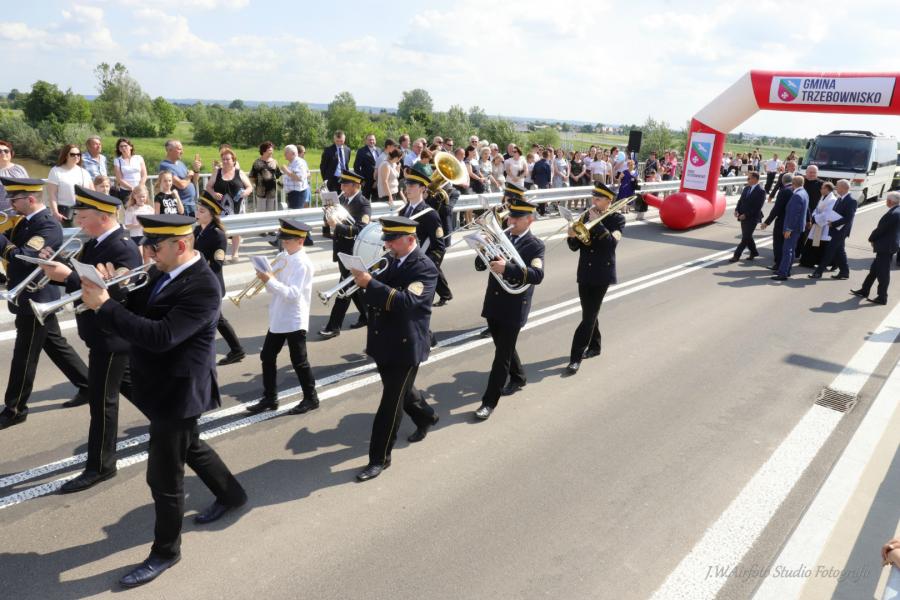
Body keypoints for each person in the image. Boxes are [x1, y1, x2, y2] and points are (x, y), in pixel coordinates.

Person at [79, 213, 248, 588]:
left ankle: (166, 552)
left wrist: (105, 305)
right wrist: (112, 291)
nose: (147, 253)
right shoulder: (162, 271)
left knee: (164, 477)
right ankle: (232, 494)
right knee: (192, 446)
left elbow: (161, 336)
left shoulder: (203, 286)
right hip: (159, 382)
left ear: (180, 245)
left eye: (153, 246)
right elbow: (139, 309)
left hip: (179, 391)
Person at [38, 186, 141, 492]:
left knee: (102, 403)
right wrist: (57, 261)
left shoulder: (122, 248)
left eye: (83, 217)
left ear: (103, 217)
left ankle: (100, 466)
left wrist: (66, 276)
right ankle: (174, 424)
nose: (78, 222)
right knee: (134, 388)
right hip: (99, 334)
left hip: (111, 338)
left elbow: (116, 295)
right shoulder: (96, 243)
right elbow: (86, 275)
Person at [349, 215, 439, 481]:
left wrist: (370, 283)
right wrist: (364, 282)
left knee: (390, 403)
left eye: (392, 240)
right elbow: (376, 296)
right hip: (383, 339)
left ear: (410, 240)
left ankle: (379, 459)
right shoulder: (390, 259)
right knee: (402, 391)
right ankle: (426, 417)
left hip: (406, 345)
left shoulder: (424, 267)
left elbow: (405, 302)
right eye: (386, 239)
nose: (387, 244)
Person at [0, 177, 89, 429]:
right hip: (29, 296)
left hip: (36, 297)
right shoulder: (25, 222)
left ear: (30, 199)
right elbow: (10, 247)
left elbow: (22, 257)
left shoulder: (47, 225)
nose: (10, 203)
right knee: (55, 344)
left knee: (24, 355)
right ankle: (88, 384)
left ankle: (15, 408)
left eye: (14, 199)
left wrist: (3, 243)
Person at [473, 188, 545, 420]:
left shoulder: (535, 245)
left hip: (514, 305)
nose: (510, 221)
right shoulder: (500, 238)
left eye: (516, 218)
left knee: (501, 356)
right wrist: (482, 247)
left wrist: (508, 268)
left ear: (529, 220)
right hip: (494, 301)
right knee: (503, 345)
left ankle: (489, 402)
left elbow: (537, 275)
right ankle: (519, 376)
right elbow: (480, 266)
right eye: (510, 216)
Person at [244, 218, 319, 415]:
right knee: (267, 356)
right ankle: (270, 398)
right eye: (283, 239)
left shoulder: (303, 264)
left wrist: (270, 280)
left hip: (294, 318)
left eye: (287, 240)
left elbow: (293, 294)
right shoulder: (282, 257)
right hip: (279, 315)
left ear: (300, 241)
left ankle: (311, 398)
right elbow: (274, 290)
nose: (283, 243)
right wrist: (265, 279)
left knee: (299, 361)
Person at [565, 182, 625, 374]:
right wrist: (571, 236)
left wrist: (597, 223)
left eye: (598, 199)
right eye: (593, 198)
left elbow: (610, 245)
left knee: (589, 316)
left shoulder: (617, 219)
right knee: (589, 313)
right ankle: (595, 345)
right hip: (585, 271)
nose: (594, 202)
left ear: (609, 201)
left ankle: (575, 357)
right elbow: (575, 247)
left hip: (602, 274)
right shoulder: (585, 216)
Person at [194, 192, 246, 366]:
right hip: (199, 284)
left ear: (211, 214)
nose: (197, 213)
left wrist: (197, 270)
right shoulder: (197, 230)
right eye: (197, 210)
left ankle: (236, 350)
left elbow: (217, 264)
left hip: (211, 284)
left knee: (215, 320)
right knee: (213, 320)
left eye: (201, 211)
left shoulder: (217, 234)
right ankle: (236, 350)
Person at [319, 169, 372, 338]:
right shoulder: (341, 199)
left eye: (345, 184)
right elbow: (331, 220)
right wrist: (327, 214)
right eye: (342, 184)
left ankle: (333, 326)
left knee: (344, 287)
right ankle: (367, 315)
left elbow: (360, 229)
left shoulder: (363, 203)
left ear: (356, 186)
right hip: (341, 249)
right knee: (354, 286)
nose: (341, 187)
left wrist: (337, 226)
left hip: (353, 251)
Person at [403, 165, 450, 306]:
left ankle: (445, 295)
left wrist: (424, 266)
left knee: (418, 308)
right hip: (404, 268)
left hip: (419, 269)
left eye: (412, 185)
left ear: (422, 188)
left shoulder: (430, 214)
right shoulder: (403, 211)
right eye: (407, 185)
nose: (408, 188)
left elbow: (439, 249)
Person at [851, 192, 900, 305]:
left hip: (885, 247)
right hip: (889, 245)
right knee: (874, 270)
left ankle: (882, 297)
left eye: (887, 199)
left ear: (890, 201)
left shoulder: (893, 213)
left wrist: (871, 238)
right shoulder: (897, 211)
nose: (886, 201)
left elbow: (880, 229)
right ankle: (864, 290)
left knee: (883, 274)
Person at [206, 148, 252, 262]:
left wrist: (245, 193)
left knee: (236, 231)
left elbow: (249, 187)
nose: (225, 161)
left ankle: (235, 254)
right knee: (221, 232)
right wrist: (214, 193)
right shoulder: (217, 172)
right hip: (220, 208)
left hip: (236, 207)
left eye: (228, 159)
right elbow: (208, 186)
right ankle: (222, 254)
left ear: (233, 161)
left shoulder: (239, 172)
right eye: (223, 159)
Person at [812, 179, 857, 280]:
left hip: (841, 231)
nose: (836, 188)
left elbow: (848, 218)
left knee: (829, 251)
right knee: (839, 252)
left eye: (837, 186)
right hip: (835, 229)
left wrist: (834, 223)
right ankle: (845, 272)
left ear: (843, 188)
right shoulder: (840, 198)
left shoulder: (851, 201)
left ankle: (818, 272)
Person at [772, 176, 809, 281]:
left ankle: (783, 273)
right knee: (791, 250)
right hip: (798, 227)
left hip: (792, 228)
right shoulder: (804, 192)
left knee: (787, 250)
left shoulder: (797, 195)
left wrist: (788, 229)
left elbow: (794, 215)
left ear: (793, 183)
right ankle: (787, 270)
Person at [48, 144, 93, 225]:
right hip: (63, 213)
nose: (76, 156)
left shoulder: (84, 172)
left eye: (78, 154)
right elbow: (52, 195)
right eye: (72, 154)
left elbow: (92, 193)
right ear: (66, 156)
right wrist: (55, 212)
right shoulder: (56, 171)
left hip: (83, 212)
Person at [729, 171, 765, 262]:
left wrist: (746, 215)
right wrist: (737, 210)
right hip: (742, 216)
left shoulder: (761, 191)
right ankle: (754, 252)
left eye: (749, 178)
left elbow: (758, 207)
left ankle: (736, 255)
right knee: (747, 236)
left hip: (752, 217)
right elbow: (740, 201)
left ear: (755, 179)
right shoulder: (746, 188)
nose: (747, 179)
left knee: (745, 238)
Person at [158, 140, 201, 217]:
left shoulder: (181, 163)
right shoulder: (165, 166)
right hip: (181, 205)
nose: (182, 152)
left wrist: (196, 170)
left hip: (191, 204)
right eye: (179, 149)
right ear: (169, 150)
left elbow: (194, 181)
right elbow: (181, 185)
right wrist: (189, 176)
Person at [761, 174, 794, 269]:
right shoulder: (798, 189)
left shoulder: (784, 191)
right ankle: (787, 265)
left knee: (778, 243)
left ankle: (778, 264)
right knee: (789, 245)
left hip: (782, 221)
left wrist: (767, 222)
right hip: (793, 221)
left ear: (783, 181)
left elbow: (777, 209)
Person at [802, 181, 837, 270]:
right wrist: (814, 216)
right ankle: (808, 262)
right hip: (818, 223)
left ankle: (828, 263)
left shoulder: (832, 200)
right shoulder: (823, 197)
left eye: (822, 188)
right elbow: (817, 209)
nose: (820, 190)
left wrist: (816, 218)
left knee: (821, 245)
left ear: (827, 189)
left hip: (824, 225)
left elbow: (827, 213)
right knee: (813, 242)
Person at [249, 141, 282, 213]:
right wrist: (256, 185)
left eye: (272, 148)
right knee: (261, 212)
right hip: (260, 192)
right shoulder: (257, 162)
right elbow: (252, 176)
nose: (271, 150)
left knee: (270, 212)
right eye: (269, 148)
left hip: (272, 191)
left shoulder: (275, 162)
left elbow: (277, 175)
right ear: (263, 150)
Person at [112, 138, 147, 204]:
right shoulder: (117, 160)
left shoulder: (139, 158)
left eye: (125, 146)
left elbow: (144, 174)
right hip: (126, 191)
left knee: (142, 208)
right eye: (121, 146)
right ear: (119, 149)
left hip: (141, 190)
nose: (123, 148)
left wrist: (140, 186)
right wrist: (131, 188)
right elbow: (119, 179)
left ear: (130, 147)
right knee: (130, 209)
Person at [280, 144, 310, 209]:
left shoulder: (299, 162)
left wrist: (286, 171)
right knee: (293, 213)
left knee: (296, 214)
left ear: (293, 153)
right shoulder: (292, 162)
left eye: (286, 152)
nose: (284, 154)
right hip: (293, 194)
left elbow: (300, 178)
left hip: (298, 194)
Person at [354, 133, 380, 200]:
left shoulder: (379, 150)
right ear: (366, 141)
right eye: (370, 140)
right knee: (365, 200)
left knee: (377, 201)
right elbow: (356, 167)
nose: (372, 141)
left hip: (378, 181)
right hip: (366, 182)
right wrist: (361, 180)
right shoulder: (361, 151)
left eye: (373, 139)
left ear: (375, 140)